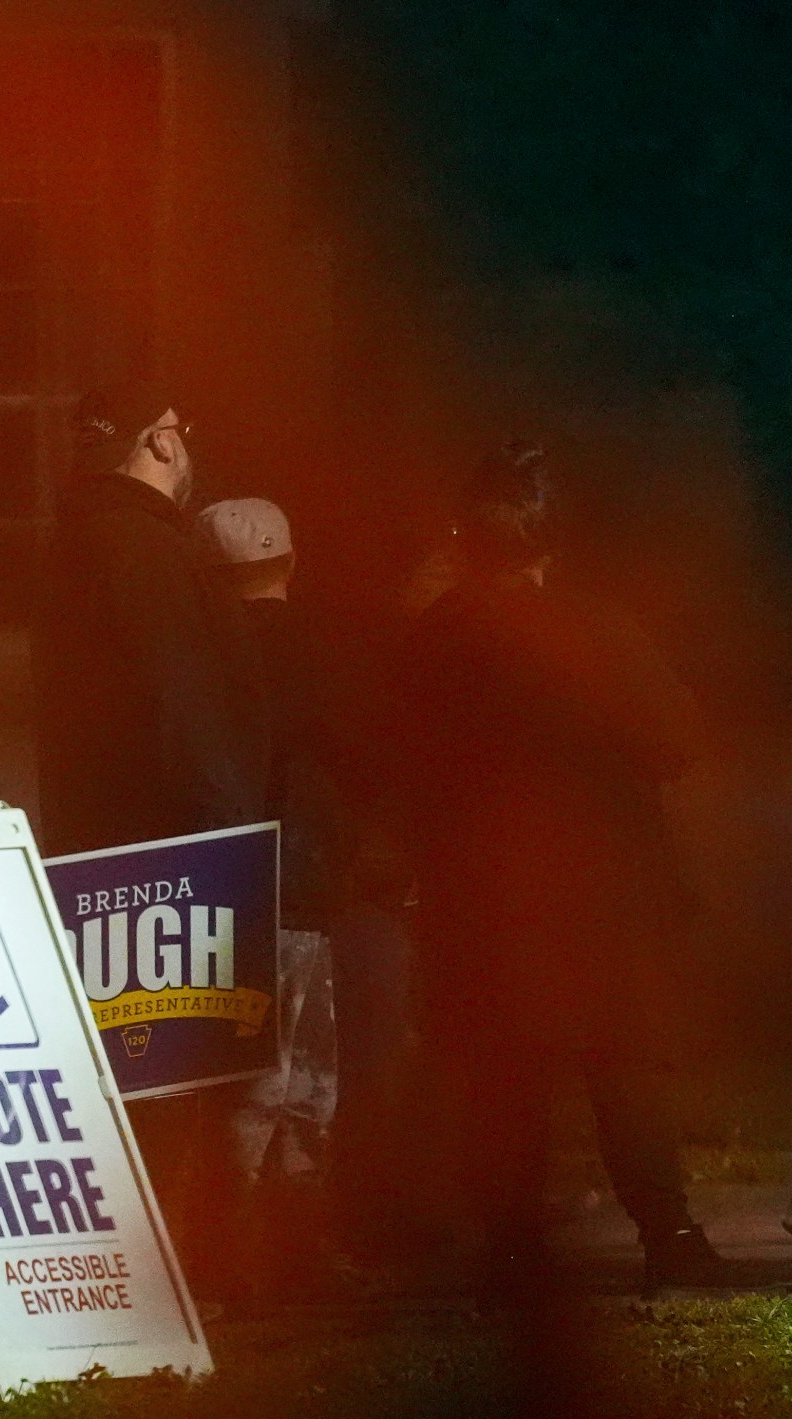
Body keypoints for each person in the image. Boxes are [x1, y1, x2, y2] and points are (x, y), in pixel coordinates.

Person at [396, 441, 726, 1296]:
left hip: (485, 895)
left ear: (468, 538)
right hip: (601, 894)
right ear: (550, 541)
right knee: (625, 1069)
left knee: (504, 1079)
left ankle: (510, 1250)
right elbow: (676, 743)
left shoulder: (439, 637)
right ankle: (672, 1236)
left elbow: (401, 763)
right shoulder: (599, 628)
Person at [196, 499, 345, 1300]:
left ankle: (230, 1259)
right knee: (310, 1081)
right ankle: (298, 1253)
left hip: (232, 883)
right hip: (315, 885)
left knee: (249, 1081)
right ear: (291, 563)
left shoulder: (208, 660)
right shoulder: (323, 654)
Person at [34, 385, 269, 856]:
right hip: (170, 859)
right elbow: (185, 698)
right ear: (161, 442)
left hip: (94, 851)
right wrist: (234, 832)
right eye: (180, 430)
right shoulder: (151, 551)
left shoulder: (70, 546)